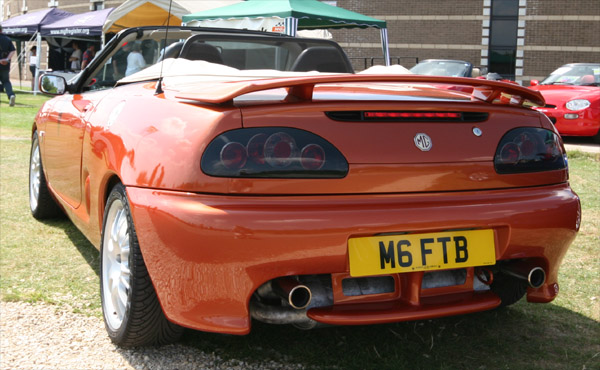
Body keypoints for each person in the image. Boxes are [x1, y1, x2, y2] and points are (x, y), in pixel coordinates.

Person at [0, 25, 16, 107]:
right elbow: (13, 50)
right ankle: (11, 95)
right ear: (1, 30)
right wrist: (7, 59)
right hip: (5, 65)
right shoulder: (7, 39)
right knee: (6, 81)